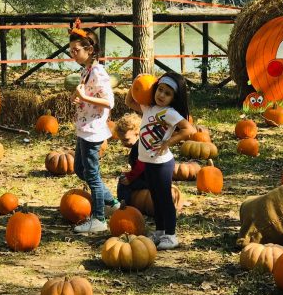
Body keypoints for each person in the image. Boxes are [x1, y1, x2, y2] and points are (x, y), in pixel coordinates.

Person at [125, 72, 196, 250]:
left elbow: (189, 129)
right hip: (148, 162)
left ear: (174, 98)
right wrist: (136, 84)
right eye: (160, 90)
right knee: (155, 198)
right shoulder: (149, 108)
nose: (161, 95)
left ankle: (171, 235)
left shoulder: (169, 113)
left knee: (164, 199)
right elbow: (129, 102)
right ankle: (160, 231)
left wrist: (169, 141)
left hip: (162, 164)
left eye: (167, 93)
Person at [69, 26, 120, 233]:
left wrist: (83, 98)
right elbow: (88, 95)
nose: (73, 54)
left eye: (76, 50)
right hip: (84, 127)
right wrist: (79, 98)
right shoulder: (85, 70)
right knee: (80, 170)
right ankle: (113, 203)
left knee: (92, 175)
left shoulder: (98, 72)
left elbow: (109, 101)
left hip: (94, 130)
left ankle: (98, 219)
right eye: (71, 50)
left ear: (89, 50)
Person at [114, 113, 147, 204]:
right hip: (145, 178)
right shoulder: (140, 144)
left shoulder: (139, 147)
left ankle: (124, 204)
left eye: (126, 139)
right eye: (121, 140)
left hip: (148, 180)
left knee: (123, 182)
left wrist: (130, 177)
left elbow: (141, 165)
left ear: (137, 133)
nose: (124, 143)